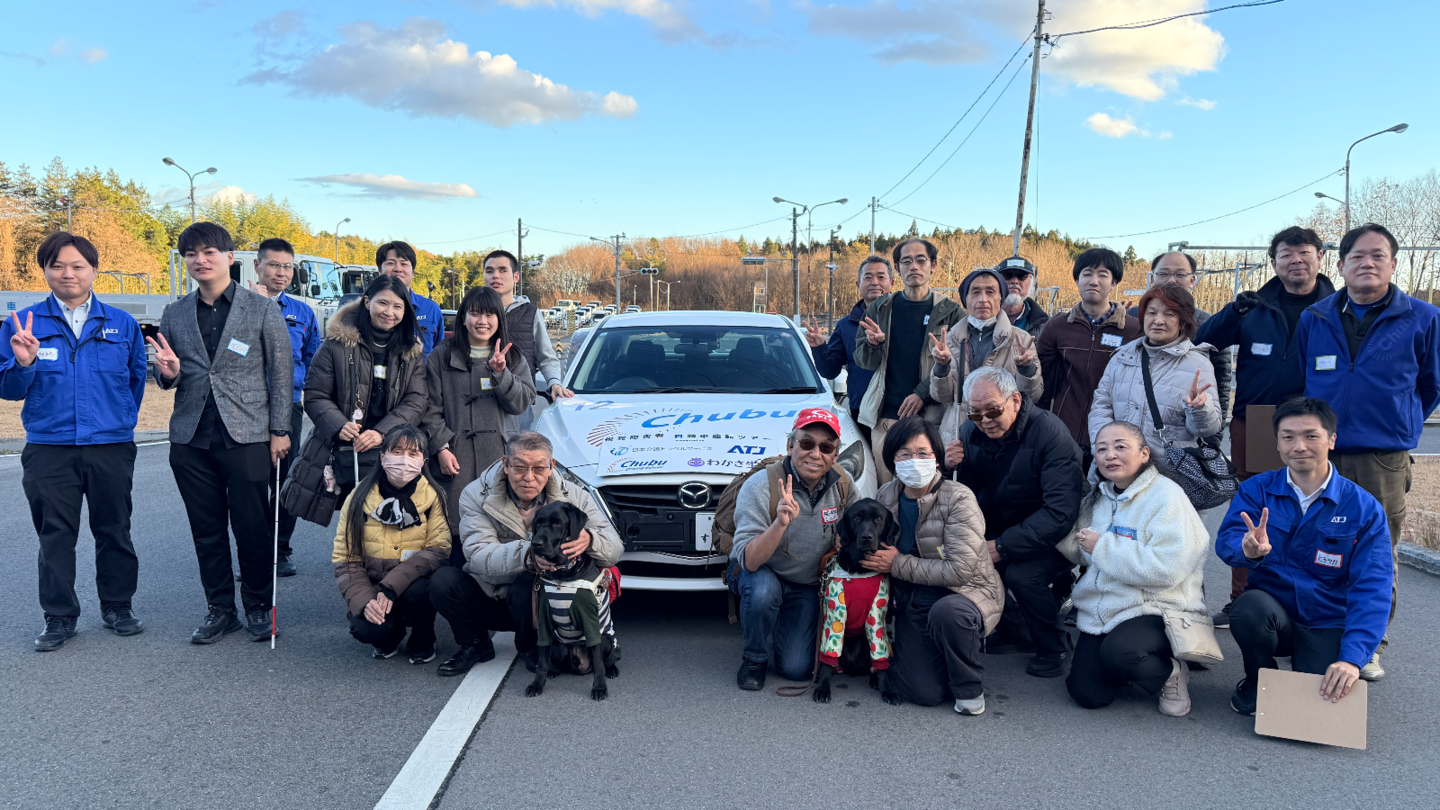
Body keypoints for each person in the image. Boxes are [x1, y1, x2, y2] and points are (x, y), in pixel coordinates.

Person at [1297, 223, 1440, 680]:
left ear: (1393, 264)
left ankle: (1371, 643)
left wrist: (1400, 421)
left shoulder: (1423, 317)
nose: (1368, 263)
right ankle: (1318, 633)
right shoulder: (1315, 317)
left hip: (1381, 457)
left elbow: (1430, 385)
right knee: (1317, 544)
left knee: (1377, 551)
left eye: (1378, 256)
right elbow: (1306, 377)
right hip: (1322, 454)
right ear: (1339, 265)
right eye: (1357, 256)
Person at [0, 233, 146, 651]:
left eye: (78, 265)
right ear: (45, 270)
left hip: (110, 445)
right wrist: (24, 364)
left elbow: (135, 381)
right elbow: (8, 389)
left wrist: (117, 420)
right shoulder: (23, 324)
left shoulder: (121, 323)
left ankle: (118, 606)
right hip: (49, 447)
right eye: (58, 265)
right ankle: (59, 617)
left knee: (114, 529)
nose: (68, 273)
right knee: (55, 535)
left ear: (94, 271)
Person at [147, 222, 292, 644]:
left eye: (209, 252)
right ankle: (220, 609)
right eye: (191, 254)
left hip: (247, 434)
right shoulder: (175, 313)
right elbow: (168, 374)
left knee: (252, 526)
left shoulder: (261, 307)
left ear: (231, 257)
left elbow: (281, 373)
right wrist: (168, 375)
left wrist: (280, 430)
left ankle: (259, 607)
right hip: (191, 437)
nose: (200, 260)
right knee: (205, 528)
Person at [1195, 227, 1335, 627]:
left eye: (1303, 252)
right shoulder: (1255, 306)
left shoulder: (1335, 307)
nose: (1295, 260)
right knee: (1256, 508)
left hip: (1313, 422)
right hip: (1256, 419)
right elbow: (1206, 341)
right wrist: (1231, 312)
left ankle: (1307, 601)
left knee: (1312, 509)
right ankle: (1242, 599)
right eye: (1286, 254)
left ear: (1320, 257)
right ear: (1274, 261)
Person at [1217, 398, 1394, 714]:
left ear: (1331, 439)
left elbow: (1373, 589)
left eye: (1311, 436)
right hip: (1273, 613)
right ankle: (1258, 679)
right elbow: (1228, 539)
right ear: (1278, 442)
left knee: (1319, 704)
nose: (1299, 446)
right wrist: (1245, 549)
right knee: (1248, 609)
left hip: (1327, 618)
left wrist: (1353, 659)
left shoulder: (1364, 509)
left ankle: (1314, 663)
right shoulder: (1257, 490)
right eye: (1288, 437)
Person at [429, 432, 622, 676]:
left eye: (539, 468)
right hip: (490, 592)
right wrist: (528, 555)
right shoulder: (475, 494)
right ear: (505, 464)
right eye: (519, 467)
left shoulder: (574, 496)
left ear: (551, 466)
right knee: (443, 580)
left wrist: (590, 538)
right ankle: (475, 644)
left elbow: (614, 549)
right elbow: (477, 554)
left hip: (541, 600)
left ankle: (532, 647)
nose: (528, 477)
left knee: (528, 582)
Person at [1059, 421, 1208, 716]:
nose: (1110, 455)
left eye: (1120, 447)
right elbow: (1079, 551)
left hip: (1157, 606)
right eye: (1102, 449)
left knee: (1123, 653)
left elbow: (1168, 569)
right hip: (1104, 608)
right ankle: (1124, 664)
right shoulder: (1099, 497)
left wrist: (1102, 547)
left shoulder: (1167, 496)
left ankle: (1170, 673)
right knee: (1087, 693)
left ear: (1143, 454)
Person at [945, 367, 1084, 677]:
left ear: (1016, 401)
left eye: (993, 409)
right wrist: (949, 467)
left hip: (1056, 532)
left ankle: (1056, 645)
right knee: (958, 554)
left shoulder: (1052, 435)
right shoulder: (970, 431)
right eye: (976, 413)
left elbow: (1061, 512)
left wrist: (1002, 547)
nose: (985, 420)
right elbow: (968, 492)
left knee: (1023, 575)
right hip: (1004, 522)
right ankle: (1013, 629)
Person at [866, 416, 1002, 714]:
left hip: (962, 594)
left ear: (937, 458)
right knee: (922, 693)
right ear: (891, 458)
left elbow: (960, 570)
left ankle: (969, 688)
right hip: (911, 603)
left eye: (923, 453)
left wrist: (897, 563)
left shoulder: (958, 498)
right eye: (904, 453)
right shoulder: (885, 496)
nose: (914, 460)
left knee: (948, 614)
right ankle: (935, 654)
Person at [730, 408, 859, 690]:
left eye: (826, 447)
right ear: (790, 445)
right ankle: (754, 658)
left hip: (806, 584)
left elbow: (856, 527)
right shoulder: (761, 485)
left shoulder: (844, 486)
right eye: (806, 443)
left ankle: (779, 625)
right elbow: (750, 561)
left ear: (835, 455)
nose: (815, 453)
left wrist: (844, 541)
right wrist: (779, 523)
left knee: (797, 669)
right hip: (763, 572)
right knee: (764, 592)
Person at [424, 286, 536, 565]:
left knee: (501, 529)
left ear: (499, 319)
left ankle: (497, 595)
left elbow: (522, 403)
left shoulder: (512, 357)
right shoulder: (440, 357)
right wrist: (440, 446)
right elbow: (428, 408)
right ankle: (459, 596)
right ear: (463, 318)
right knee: (455, 532)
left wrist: (502, 374)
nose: (482, 321)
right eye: (475, 313)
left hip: (499, 458)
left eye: (489, 314)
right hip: (454, 457)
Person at [299, 275, 429, 507]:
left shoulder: (411, 351)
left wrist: (382, 432)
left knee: (392, 513)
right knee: (353, 514)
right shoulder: (337, 344)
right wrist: (339, 425)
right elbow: (316, 394)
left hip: (392, 446)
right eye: (383, 303)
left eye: (398, 306)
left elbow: (416, 400)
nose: (389, 312)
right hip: (347, 445)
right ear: (368, 302)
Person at [333, 426, 450, 664]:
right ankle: (388, 638)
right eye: (397, 452)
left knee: (423, 590)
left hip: (412, 586)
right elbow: (345, 559)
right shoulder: (357, 498)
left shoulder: (433, 496)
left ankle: (423, 638)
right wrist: (365, 601)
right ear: (382, 456)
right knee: (365, 628)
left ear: (423, 461)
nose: (404, 460)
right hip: (373, 586)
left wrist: (391, 586)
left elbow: (439, 549)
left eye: (412, 454)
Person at [853, 239, 963, 484]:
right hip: (886, 417)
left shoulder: (951, 311)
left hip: (931, 418)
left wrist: (921, 394)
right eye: (906, 261)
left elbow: (957, 364)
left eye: (921, 260)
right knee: (886, 490)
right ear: (898, 268)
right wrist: (874, 345)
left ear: (933, 265)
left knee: (927, 488)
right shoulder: (880, 309)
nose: (914, 266)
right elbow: (863, 361)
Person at [1091, 283, 1222, 477]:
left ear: (1183, 321)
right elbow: (1101, 407)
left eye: (1169, 314)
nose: (1158, 320)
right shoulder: (1122, 357)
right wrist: (1103, 449)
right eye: (1151, 313)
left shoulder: (1198, 363)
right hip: (1119, 471)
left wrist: (1199, 408)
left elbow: (1208, 428)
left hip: (1169, 476)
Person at [251, 237, 321, 577]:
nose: (281, 273)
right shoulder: (240, 306)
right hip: (246, 409)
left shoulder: (303, 313)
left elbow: (313, 359)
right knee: (250, 483)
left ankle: (280, 548)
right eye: (275, 265)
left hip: (288, 407)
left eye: (288, 267)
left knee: (285, 481)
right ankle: (254, 553)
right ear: (257, 266)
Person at [1036, 247, 1141, 467]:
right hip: (1064, 434)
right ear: (1077, 280)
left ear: (1114, 283)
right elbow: (1042, 386)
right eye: (1087, 274)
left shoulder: (1133, 331)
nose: (1094, 280)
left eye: (1103, 275)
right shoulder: (1058, 326)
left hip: (1114, 439)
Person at [930, 266, 1041, 446]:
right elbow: (941, 396)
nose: (983, 299)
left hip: (1006, 435)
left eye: (990, 292)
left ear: (1000, 298)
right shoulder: (950, 339)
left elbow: (1030, 397)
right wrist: (941, 366)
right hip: (958, 434)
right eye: (975, 292)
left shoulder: (1021, 339)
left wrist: (1026, 369)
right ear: (965, 300)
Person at [804, 255, 894, 428]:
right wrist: (819, 347)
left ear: (892, 282)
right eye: (868, 277)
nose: (875, 282)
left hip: (901, 411)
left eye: (881, 277)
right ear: (858, 285)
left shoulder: (904, 319)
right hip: (862, 411)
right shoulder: (846, 325)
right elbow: (830, 371)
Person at [481, 249, 570, 401]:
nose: (495, 275)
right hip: (481, 399)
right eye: (490, 271)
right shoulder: (473, 313)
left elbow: (547, 357)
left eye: (502, 270)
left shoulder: (530, 312)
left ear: (516, 277)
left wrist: (554, 383)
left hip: (520, 400)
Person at [376, 241, 445, 355]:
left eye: (404, 264)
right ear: (379, 271)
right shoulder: (367, 309)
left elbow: (440, 355)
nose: (398, 269)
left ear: (412, 273)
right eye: (390, 263)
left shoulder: (430, 309)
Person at [997, 256, 1050, 337]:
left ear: (1032, 282)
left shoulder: (1046, 326)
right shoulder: (981, 319)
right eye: (1007, 275)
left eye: (1022, 276)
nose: (1014, 281)